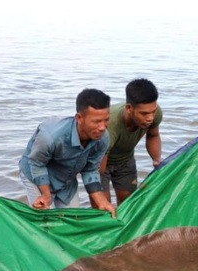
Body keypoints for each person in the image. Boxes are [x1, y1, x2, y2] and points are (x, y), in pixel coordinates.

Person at [19, 88, 117, 218]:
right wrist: (46, 195)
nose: (102, 127)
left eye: (106, 120)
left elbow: (90, 170)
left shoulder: (103, 138)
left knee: (73, 221)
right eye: (96, 121)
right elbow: (36, 163)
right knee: (47, 222)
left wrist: (102, 201)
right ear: (79, 118)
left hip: (66, 179)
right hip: (36, 173)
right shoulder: (50, 136)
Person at [98, 78, 163, 205]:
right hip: (100, 162)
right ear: (129, 108)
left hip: (125, 160)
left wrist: (156, 159)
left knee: (129, 204)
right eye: (144, 114)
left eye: (153, 112)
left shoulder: (155, 113)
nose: (150, 118)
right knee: (103, 209)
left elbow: (153, 136)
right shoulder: (110, 125)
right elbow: (99, 168)